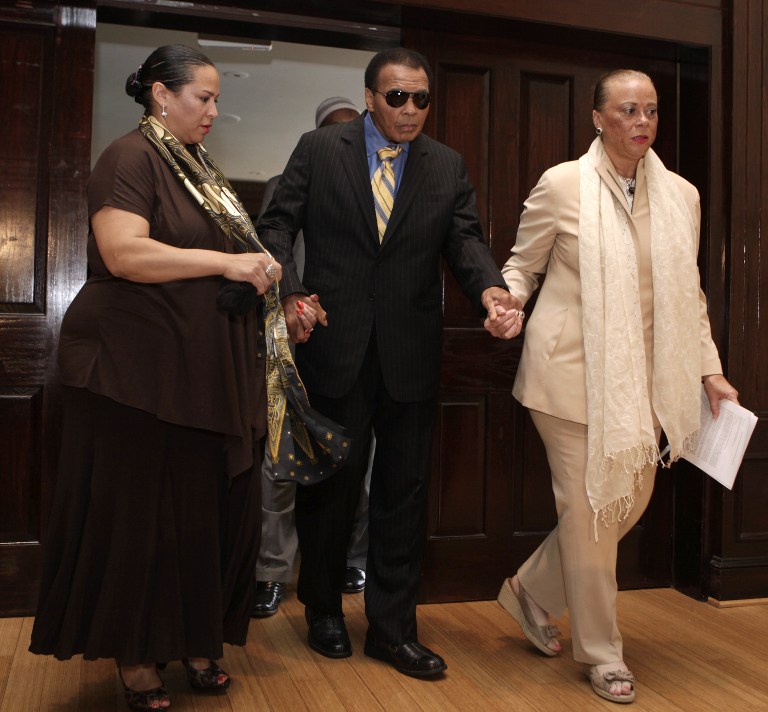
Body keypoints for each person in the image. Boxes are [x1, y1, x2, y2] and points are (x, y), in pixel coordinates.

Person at [28, 45, 284, 711]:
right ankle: (137, 657)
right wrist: (228, 266)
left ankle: (197, 641)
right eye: (203, 97)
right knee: (142, 521)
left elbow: (218, 259)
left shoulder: (199, 169)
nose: (214, 111)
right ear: (160, 96)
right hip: (133, 377)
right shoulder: (130, 157)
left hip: (199, 374)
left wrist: (261, 278)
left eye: (217, 99)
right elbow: (124, 251)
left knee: (200, 519)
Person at [257, 46, 517, 678]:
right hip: (335, 349)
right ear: (370, 96)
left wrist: (489, 289)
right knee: (330, 491)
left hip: (409, 354)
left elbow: (464, 239)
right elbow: (275, 224)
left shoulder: (445, 165)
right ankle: (322, 609)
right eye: (396, 97)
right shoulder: (320, 151)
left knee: (403, 494)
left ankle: (393, 629)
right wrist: (288, 290)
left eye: (421, 98)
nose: (410, 109)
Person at [486, 69, 739, 704]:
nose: (642, 122)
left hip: (643, 383)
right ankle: (602, 654)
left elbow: (690, 294)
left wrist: (708, 369)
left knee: (628, 502)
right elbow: (524, 264)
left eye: (651, 111)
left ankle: (530, 590)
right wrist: (506, 301)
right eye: (627, 110)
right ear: (598, 118)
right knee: (594, 511)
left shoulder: (682, 195)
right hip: (569, 374)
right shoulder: (562, 184)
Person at [253, 97, 372, 619]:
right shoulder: (289, 182)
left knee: (355, 467)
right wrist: (292, 305)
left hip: (360, 352)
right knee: (280, 466)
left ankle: (352, 557)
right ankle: (271, 572)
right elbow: (270, 252)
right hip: (294, 343)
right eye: (333, 132)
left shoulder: (386, 186)